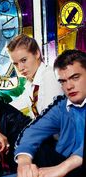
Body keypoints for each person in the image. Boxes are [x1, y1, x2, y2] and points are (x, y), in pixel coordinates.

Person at [15, 49, 86, 177]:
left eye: (75, 77)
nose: (68, 86)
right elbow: (33, 131)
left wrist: (62, 168)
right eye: (62, 81)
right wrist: (24, 161)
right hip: (66, 166)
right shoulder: (61, 106)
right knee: (37, 148)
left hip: (71, 166)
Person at [7, 34, 63, 118]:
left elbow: (49, 119)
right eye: (16, 64)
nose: (20, 68)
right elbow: (13, 107)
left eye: (23, 60)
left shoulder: (50, 76)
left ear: (37, 53)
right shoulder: (31, 84)